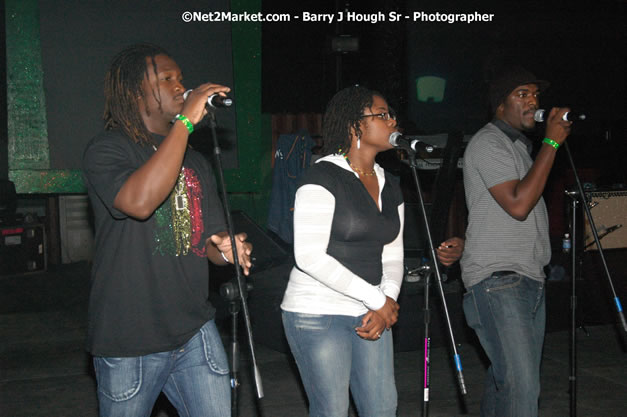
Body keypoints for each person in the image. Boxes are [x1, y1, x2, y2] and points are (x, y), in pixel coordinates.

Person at [82, 43, 252, 417]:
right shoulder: (108, 149)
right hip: (130, 337)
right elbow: (138, 204)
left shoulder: (194, 160)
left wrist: (225, 248)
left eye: (181, 78)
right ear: (133, 92)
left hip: (194, 329)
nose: (180, 86)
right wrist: (186, 124)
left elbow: (207, 240)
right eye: (166, 79)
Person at [280, 85, 463, 417]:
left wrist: (387, 301)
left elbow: (392, 254)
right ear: (355, 125)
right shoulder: (321, 176)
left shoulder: (390, 183)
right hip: (317, 312)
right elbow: (308, 256)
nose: (393, 121)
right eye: (383, 114)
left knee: (382, 408)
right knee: (332, 410)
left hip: (371, 311)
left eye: (392, 114)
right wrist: (378, 300)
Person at [461, 66, 572, 416]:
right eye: (521, 94)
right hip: (500, 280)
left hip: (528, 279)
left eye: (535, 95)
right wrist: (552, 143)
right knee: (522, 388)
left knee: (506, 382)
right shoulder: (488, 142)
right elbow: (519, 204)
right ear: (499, 105)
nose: (533, 101)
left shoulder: (521, 150)